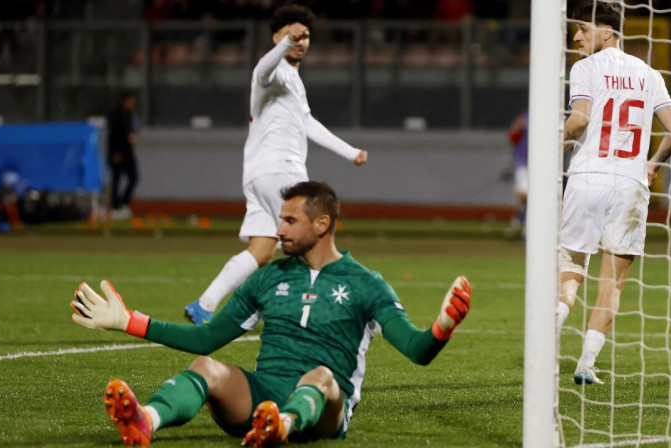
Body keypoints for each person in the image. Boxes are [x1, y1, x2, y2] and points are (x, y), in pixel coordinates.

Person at [70, 180, 471, 447]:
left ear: (322, 224)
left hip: (326, 411)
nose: (278, 229)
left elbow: (417, 349)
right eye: (280, 218)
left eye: (289, 220)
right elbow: (207, 337)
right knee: (207, 366)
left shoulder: (366, 283)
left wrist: (443, 326)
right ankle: (146, 420)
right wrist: (129, 322)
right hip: (260, 400)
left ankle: (283, 426)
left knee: (322, 376)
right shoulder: (267, 278)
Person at [184, 5, 368, 325]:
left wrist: (350, 152)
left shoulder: (294, 80)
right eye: (292, 35)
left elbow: (308, 123)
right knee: (312, 240)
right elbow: (262, 69)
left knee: (261, 251)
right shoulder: (274, 71)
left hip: (258, 174)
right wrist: (283, 45)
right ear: (276, 37)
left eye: (305, 36)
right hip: (282, 170)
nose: (300, 40)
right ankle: (331, 312)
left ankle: (205, 305)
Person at [556, 1, 671, 385]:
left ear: (606, 31)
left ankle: (547, 340)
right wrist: (652, 165)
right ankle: (586, 364)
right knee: (612, 284)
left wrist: (552, 143)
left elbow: (579, 120)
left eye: (582, 29)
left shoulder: (585, 68)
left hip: (587, 178)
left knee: (571, 272)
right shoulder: (649, 74)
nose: (576, 36)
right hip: (629, 184)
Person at [107, 91, 140, 220]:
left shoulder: (129, 115)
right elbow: (113, 135)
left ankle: (122, 204)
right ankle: (115, 207)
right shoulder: (116, 115)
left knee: (134, 177)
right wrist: (115, 152)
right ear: (124, 101)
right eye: (131, 101)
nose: (132, 104)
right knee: (116, 179)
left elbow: (130, 132)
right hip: (117, 152)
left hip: (128, 152)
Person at [505, 111, 528, 238]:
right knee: (524, 196)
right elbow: (512, 138)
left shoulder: (548, 116)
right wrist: (517, 127)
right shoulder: (523, 118)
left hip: (542, 164)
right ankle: (520, 220)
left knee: (530, 197)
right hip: (523, 163)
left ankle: (520, 221)